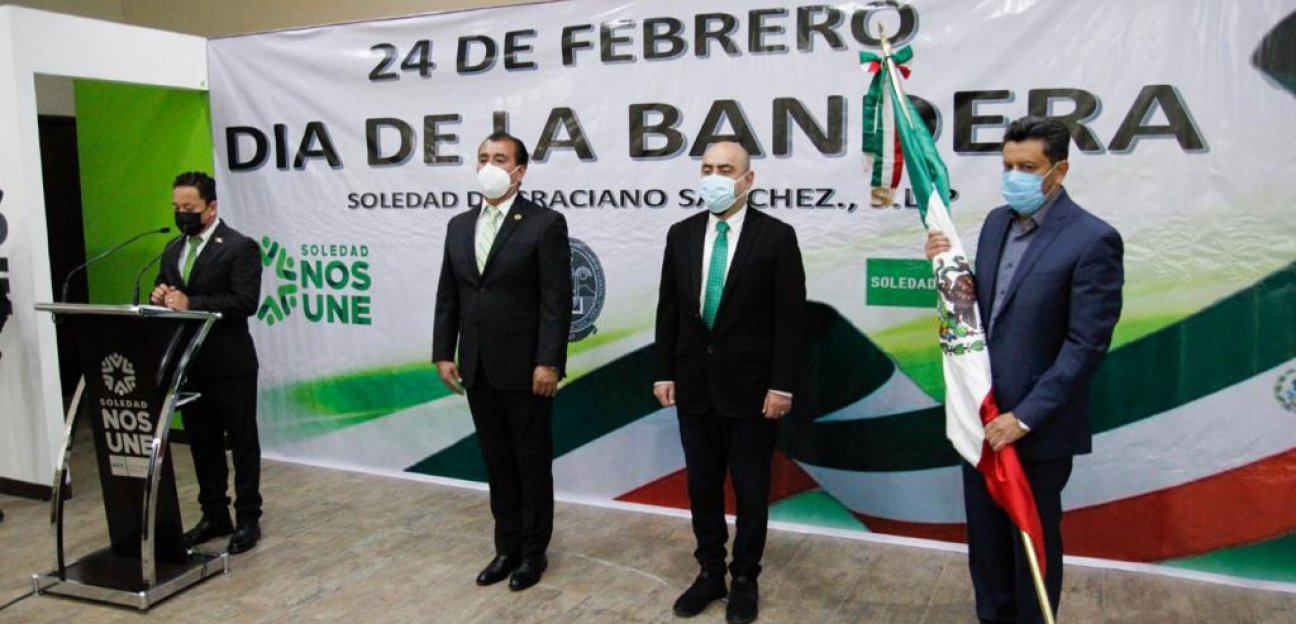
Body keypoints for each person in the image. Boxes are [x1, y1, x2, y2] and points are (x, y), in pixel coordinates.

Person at [926, 116, 1123, 623]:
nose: (1015, 176)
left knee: (1031, 549)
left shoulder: (1093, 239)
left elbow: (1085, 345)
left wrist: (1025, 417)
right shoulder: (995, 222)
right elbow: (983, 307)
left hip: (1034, 430)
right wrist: (948, 266)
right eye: (1008, 166)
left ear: (1058, 171)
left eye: (1027, 167)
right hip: (981, 419)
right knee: (987, 547)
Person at [653, 141, 806, 624]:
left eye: (725, 169)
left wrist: (781, 385)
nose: (714, 176)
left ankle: (744, 579)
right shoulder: (680, 235)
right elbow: (669, 311)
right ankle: (709, 573)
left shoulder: (776, 237)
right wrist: (664, 371)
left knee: (751, 487)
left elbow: (790, 320)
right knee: (701, 486)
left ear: (748, 179)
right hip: (694, 387)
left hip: (753, 391)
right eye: (707, 168)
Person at [432, 132, 572, 591]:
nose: (489, 165)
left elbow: (556, 299)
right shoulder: (458, 224)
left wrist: (549, 361)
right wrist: (443, 352)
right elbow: (449, 294)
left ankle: (533, 553)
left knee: (531, 463)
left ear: (520, 171)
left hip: (527, 369)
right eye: (483, 158)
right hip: (477, 366)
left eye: (500, 158)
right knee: (497, 462)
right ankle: (505, 547)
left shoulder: (544, 224)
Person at [151, 171, 264, 554]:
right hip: (190, 363)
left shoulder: (238, 247)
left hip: (230, 363)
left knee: (242, 441)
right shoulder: (172, 249)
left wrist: (192, 304)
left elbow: (245, 301)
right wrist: (160, 294)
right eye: (177, 207)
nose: (182, 214)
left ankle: (248, 517)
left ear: (211, 207)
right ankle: (214, 514)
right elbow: (167, 290)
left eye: (189, 208)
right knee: (202, 443)